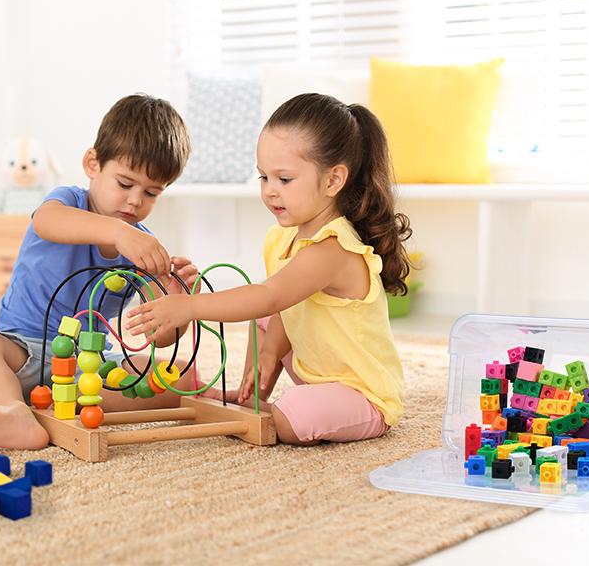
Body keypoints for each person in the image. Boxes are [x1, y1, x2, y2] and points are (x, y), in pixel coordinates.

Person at [126, 93, 411, 445]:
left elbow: (271, 296)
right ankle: (252, 396)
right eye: (263, 177)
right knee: (264, 319)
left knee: (292, 416)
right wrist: (270, 351)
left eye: (284, 180)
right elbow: (283, 305)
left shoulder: (333, 248)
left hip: (363, 396)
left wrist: (190, 306)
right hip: (317, 375)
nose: (270, 192)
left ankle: (281, 410)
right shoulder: (281, 239)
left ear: (333, 180)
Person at [0, 94, 200, 449]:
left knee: (184, 380)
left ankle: (54, 402)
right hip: (22, 353)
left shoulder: (141, 245)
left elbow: (161, 338)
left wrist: (176, 303)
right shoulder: (68, 201)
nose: (134, 201)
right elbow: (47, 222)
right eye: (125, 184)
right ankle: (14, 412)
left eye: (151, 193)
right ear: (92, 164)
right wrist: (119, 233)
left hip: (90, 366)